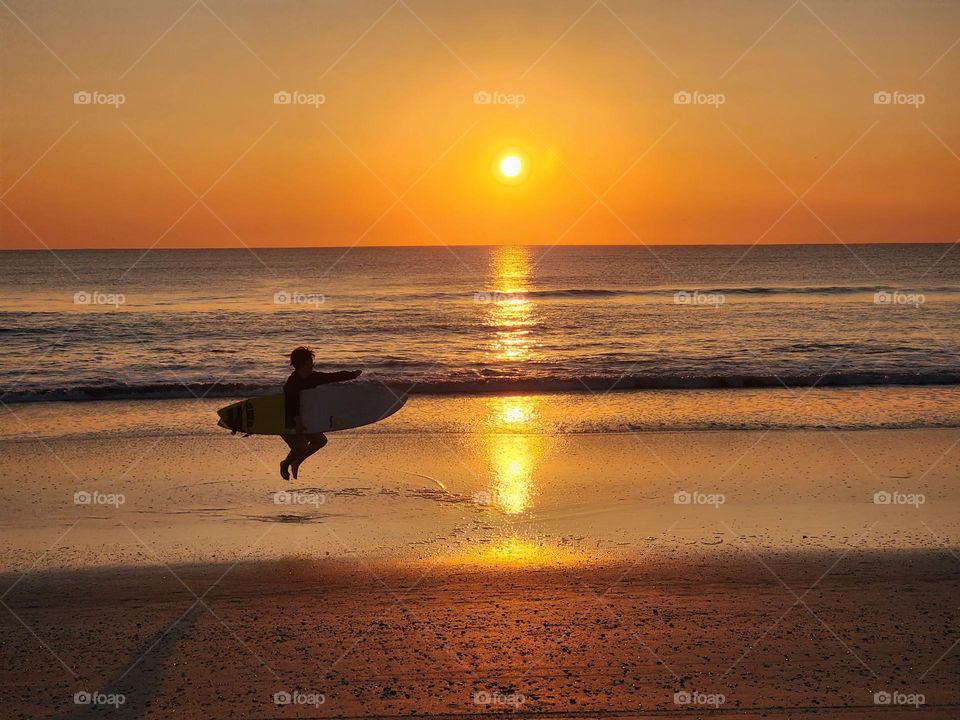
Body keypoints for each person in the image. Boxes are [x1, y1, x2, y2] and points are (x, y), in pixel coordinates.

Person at [281, 346, 361, 480]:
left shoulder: (312, 377)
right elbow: (291, 405)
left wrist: (352, 374)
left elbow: (332, 377)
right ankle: (285, 464)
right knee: (301, 447)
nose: (313, 364)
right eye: (310, 361)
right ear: (304, 363)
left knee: (320, 441)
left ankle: (296, 462)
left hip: (305, 418)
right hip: (288, 420)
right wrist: (298, 423)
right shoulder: (292, 383)